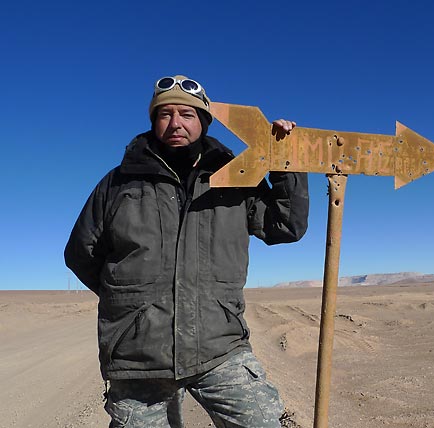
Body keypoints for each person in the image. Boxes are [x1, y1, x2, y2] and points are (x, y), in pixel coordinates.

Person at [64, 75, 309, 427]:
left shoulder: (236, 178)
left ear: (203, 121)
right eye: (164, 114)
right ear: (153, 121)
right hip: (139, 358)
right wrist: (132, 303)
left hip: (219, 347)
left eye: (187, 114)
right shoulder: (119, 183)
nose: (175, 123)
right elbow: (81, 253)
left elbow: (284, 226)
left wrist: (285, 162)